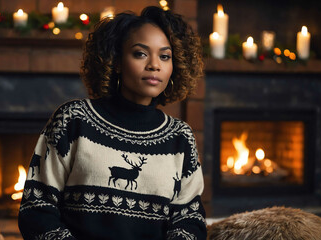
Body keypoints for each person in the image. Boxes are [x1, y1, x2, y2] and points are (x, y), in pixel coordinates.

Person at [18, 5, 206, 240]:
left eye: (165, 56)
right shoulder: (73, 119)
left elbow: (190, 218)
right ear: (116, 61)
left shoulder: (180, 137)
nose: (154, 65)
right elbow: (37, 207)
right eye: (140, 53)